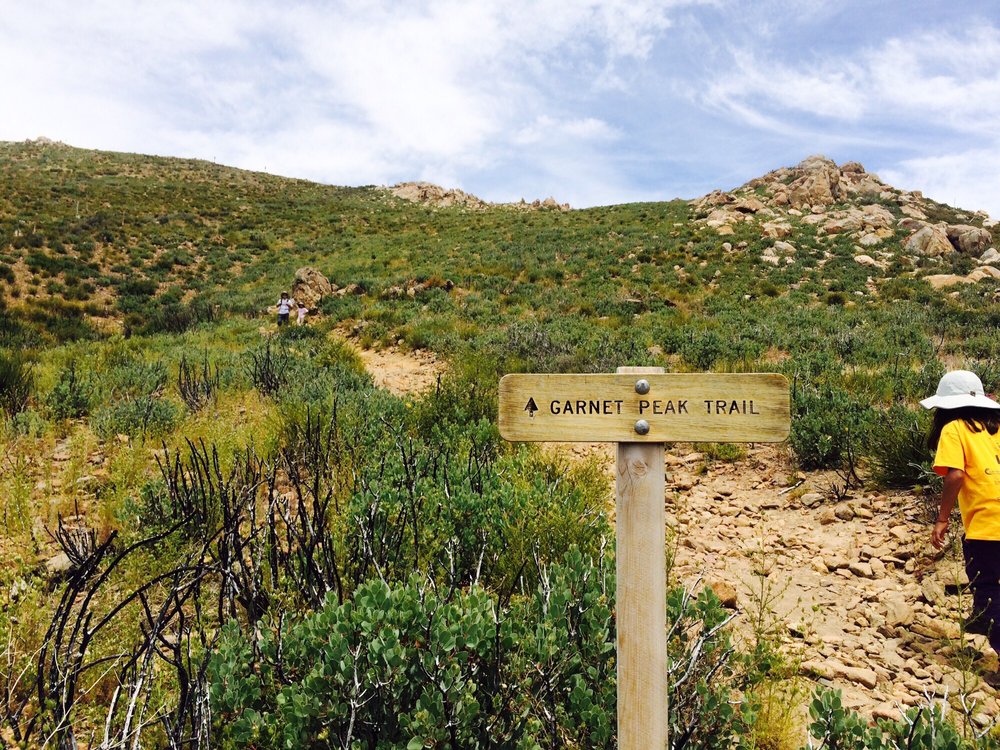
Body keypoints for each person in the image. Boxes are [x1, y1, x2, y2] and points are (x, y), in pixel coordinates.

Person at [923, 369, 1000, 684]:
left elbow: (954, 476)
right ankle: (981, 616)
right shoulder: (996, 427)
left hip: (987, 524)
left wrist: (942, 518)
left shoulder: (954, 429)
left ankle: (987, 623)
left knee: (990, 586)